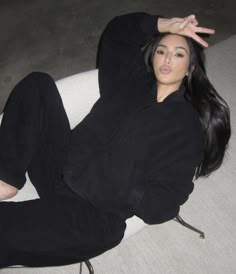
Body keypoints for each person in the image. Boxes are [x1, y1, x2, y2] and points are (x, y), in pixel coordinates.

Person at [0, 12, 231, 267]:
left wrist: (124, 187)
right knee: (37, 85)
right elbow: (117, 34)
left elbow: (166, 202)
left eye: (178, 54)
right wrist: (162, 24)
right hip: (60, 167)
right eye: (161, 51)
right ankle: (7, 178)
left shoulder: (186, 127)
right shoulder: (130, 79)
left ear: (190, 68)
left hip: (93, 213)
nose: (166, 59)